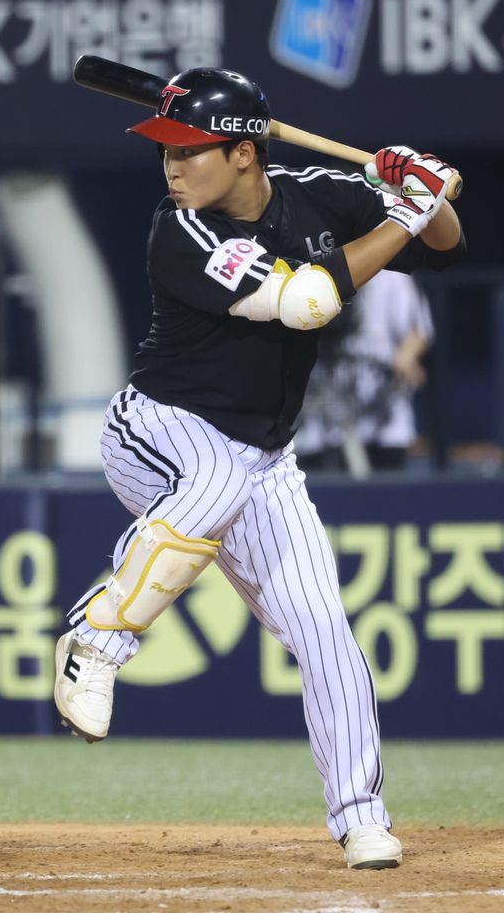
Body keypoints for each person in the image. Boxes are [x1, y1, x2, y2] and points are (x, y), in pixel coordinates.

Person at [53, 68, 465, 869]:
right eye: (167, 151)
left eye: (189, 150)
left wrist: (423, 190)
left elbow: (445, 246)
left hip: (265, 458)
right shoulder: (180, 229)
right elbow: (307, 301)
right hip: (159, 429)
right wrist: (407, 212)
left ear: (244, 153)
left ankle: (361, 817)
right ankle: (95, 640)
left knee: (327, 637)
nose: (172, 166)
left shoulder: (317, 194)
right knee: (214, 481)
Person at [296, 268, 435, 473]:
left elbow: (419, 330)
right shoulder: (310, 268)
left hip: (380, 412)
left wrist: (405, 358)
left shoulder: (391, 272)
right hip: (319, 411)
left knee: (384, 487)